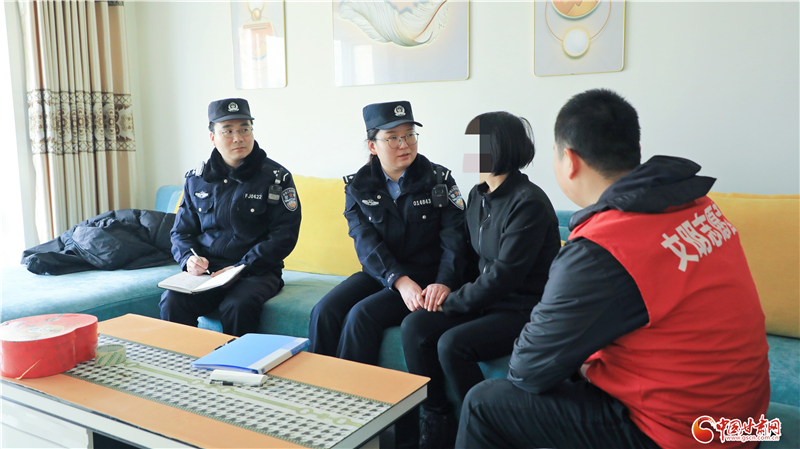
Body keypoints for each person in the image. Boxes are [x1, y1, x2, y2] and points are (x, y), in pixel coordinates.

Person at [456, 89, 770, 449]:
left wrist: (584, 361)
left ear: (569, 160)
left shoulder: (601, 247)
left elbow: (528, 371)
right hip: (748, 423)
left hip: (683, 435)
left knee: (483, 403)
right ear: (636, 150)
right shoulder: (698, 204)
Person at [308, 100, 467, 448]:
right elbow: (365, 243)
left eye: (409, 135)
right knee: (324, 311)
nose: (404, 144)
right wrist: (397, 279)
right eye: (392, 138)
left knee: (362, 315)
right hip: (383, 272)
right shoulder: (358, 186)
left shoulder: (439, 180)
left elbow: (455, 239)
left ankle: (354, 415)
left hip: (427, 275)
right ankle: (320, 400)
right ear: (372, 146)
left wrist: (444, 281)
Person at [400, 111, 562, 449]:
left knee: (452, 344)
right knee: (415, 326)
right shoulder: (478, 195)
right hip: (485, 301)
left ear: (500, 148)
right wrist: (445, 286)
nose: (469, 151)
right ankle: (437, 420)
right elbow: (465, 253)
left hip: (522, 307)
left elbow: (504, 276)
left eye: (477, 144)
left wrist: (452, 302)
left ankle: (486, 429)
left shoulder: (528, 203)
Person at [160, 98, 301, 337]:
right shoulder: (197, 179)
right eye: (227, 131)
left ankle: (236, 362)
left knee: (237, 306)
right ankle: (184, 359)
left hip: (256, 271)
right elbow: (181, 232)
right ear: (213, 137)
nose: (238, 138)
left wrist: (242, 266)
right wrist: (188, 259)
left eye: (245, 129)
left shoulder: (276, 178)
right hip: (208, 272)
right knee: (172, 300)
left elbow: (284, 235)